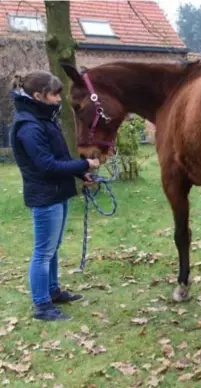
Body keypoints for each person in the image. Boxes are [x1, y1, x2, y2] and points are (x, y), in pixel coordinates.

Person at [9, 70, 101, 321]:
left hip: (57, 192)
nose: (59, 99)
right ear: (38, 95)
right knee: (43, 252)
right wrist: (84, 166)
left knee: (53, 248)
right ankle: (41, 306)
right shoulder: (28, 126)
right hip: (45, 196)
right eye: (54, 95)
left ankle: (53, 291)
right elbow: (47, 165)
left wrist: (81, 175)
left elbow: (59, 159)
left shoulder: (44, 119)